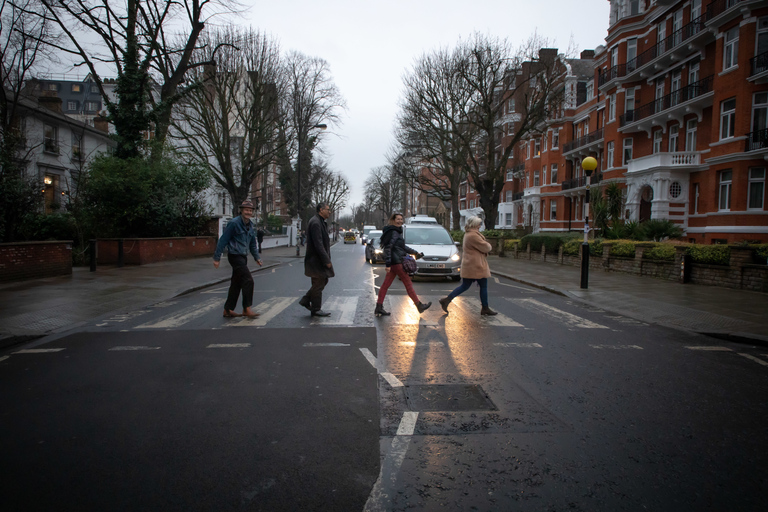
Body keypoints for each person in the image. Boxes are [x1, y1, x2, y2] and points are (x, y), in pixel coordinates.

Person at [213, 200, 263, 318]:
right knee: (248, 280)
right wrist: (217, 257)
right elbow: (223, 240)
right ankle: (247, 308)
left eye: (250, 210)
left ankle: (228, 309)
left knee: (236, 283)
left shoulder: (250, 225)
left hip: (243, 256)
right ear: (241, 210)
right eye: (246, 210)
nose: (248, 212)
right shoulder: (234, 223)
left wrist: (257, 257)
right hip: (234, 256)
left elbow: (252, 244)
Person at [374, 212, 431, 317]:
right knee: (408, 284)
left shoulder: (394, 231)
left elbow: (402, 247)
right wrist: (387, 264)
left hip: (395, 263)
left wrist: (415, 252)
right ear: (393, 220)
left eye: (401, 219)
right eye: (398, 219)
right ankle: (419, 305)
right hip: (397, 263)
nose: (400, 221)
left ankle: (379, 307)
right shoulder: (394, 232)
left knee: (385, 286)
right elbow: (388, 248)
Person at [438, 216, 497, 316]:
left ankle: (447, 300)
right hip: (476, 265)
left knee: (466, 286)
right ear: (474, 224)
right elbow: (486, 247)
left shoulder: (469, 234)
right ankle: (485, 308)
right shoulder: (473, 235)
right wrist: (488, 245)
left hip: (471, 265)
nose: (480, 226)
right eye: (479, 224)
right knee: (482, 286)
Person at [299, 203, 334, 317]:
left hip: (317, 260)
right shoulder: (315, 223)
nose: (329, 212)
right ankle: (316, 308)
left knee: (323, 281)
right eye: (327, 210)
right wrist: (326, 260)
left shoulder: (320, 222)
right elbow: (318, 244)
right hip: (316, 260)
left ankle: (306, 300)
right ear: (321, 210)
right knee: (319, 282)